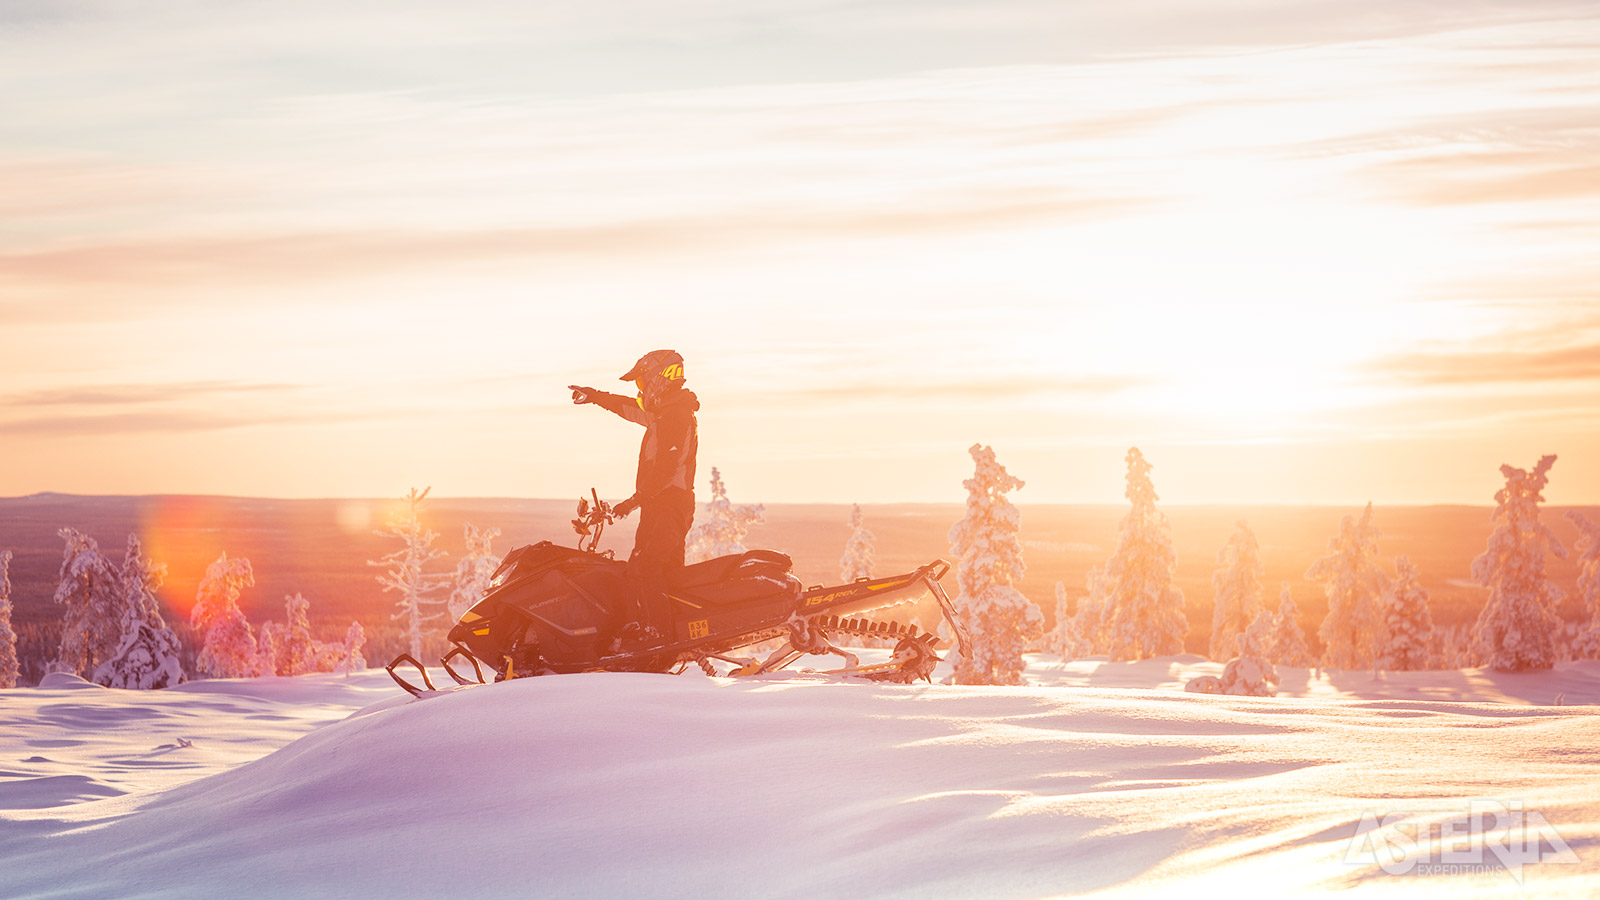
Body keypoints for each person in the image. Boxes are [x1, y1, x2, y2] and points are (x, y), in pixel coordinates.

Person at [569, 349, 699, 638]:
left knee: (645, 568)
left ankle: (657, 637)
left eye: (642, 382)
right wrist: (595, 396)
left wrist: (635, 500)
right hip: (662, 503)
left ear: (658, 377)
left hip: (668, 502)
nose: (640, 389)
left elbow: (667, 465)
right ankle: (675, 634)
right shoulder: (664, 412)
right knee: (664, 572)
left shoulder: (674, 414)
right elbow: (628, 408)